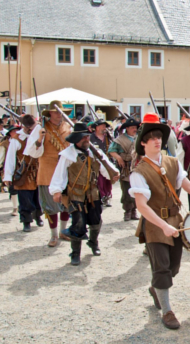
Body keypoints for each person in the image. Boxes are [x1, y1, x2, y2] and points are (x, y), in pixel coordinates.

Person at [130, 113, 190, 330]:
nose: (157, 140)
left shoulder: (171, 162)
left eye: (159, 136)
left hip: (176, 219)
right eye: (151, 137)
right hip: (154, 224)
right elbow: (141, 206)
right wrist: (163, 226)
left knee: (174, 267)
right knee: (161, 269)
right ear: (143, 142)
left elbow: (187, 185)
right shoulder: (138, 172)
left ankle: (156, 289)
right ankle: (167, 311)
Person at [49, 122, 119, 265]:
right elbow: (60, 174)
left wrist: (113, 174)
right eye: (83, 138)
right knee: (78, 223)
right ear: (76, 140)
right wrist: (56, 190)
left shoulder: (95, 152)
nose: (86, 139)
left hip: (93, 193)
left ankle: (93, 243)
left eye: (87, 137)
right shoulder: (67, 155)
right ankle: (75, 253)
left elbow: (105, 166)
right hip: (76, 193)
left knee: (96, 221)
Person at [25, 101, 73, 247]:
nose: (59, 114)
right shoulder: (40, 128)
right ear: (50, 113)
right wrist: (40, 138)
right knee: (51, 206)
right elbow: (32, 152)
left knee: (66, 204)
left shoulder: (68, 127)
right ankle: (53, 236)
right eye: (56, 112)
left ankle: (63, 231)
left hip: (66, 169)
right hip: (48, 170)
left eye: (61, 112)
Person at [3, 115, 43, 232]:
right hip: (24, 174)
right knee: (25, 199)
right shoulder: (17, 139)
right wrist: (8, 175)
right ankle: (26, 221)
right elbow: (10, 158)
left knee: (38, 198)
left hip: (38, 172)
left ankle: (38, 216)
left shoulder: (39, 135)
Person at [108, 117, 141, 221]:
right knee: (126, 190)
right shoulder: (120, 140)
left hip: (137, 167)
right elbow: (111, 150)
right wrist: (118, 158)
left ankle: (134, 211)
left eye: (135, 127)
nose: (134, 129)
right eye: (132, 127)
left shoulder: (139, 138)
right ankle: (127, 211)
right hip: (125, 167)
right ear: (127, 128)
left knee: (137, 189)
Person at [89, 119, 114, 207]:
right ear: (97, 127)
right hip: (96, 163)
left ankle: (107, 197)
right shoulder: (91, 137)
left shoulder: (108, 137)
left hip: (107, 162)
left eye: (105, 126)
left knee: (108, 181)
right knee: (99, 181)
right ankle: (101, 196)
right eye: (102, 126)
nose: (104, 128)